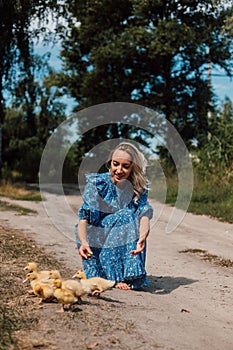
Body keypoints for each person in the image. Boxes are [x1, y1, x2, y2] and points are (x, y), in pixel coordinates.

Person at [74, 142, 153, 290]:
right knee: (126, 215)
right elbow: (83, 219)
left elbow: (144, 216)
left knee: (130, 217)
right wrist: (83, 242)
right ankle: (113, 277)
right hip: (95, 236)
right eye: (115, 164)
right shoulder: (98, 184)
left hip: (120, 232)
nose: (119, 170)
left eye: (125, 166)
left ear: (133, 168)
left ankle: (127, 274)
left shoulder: (138, 187)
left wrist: (143, 236)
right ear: (110, 163)